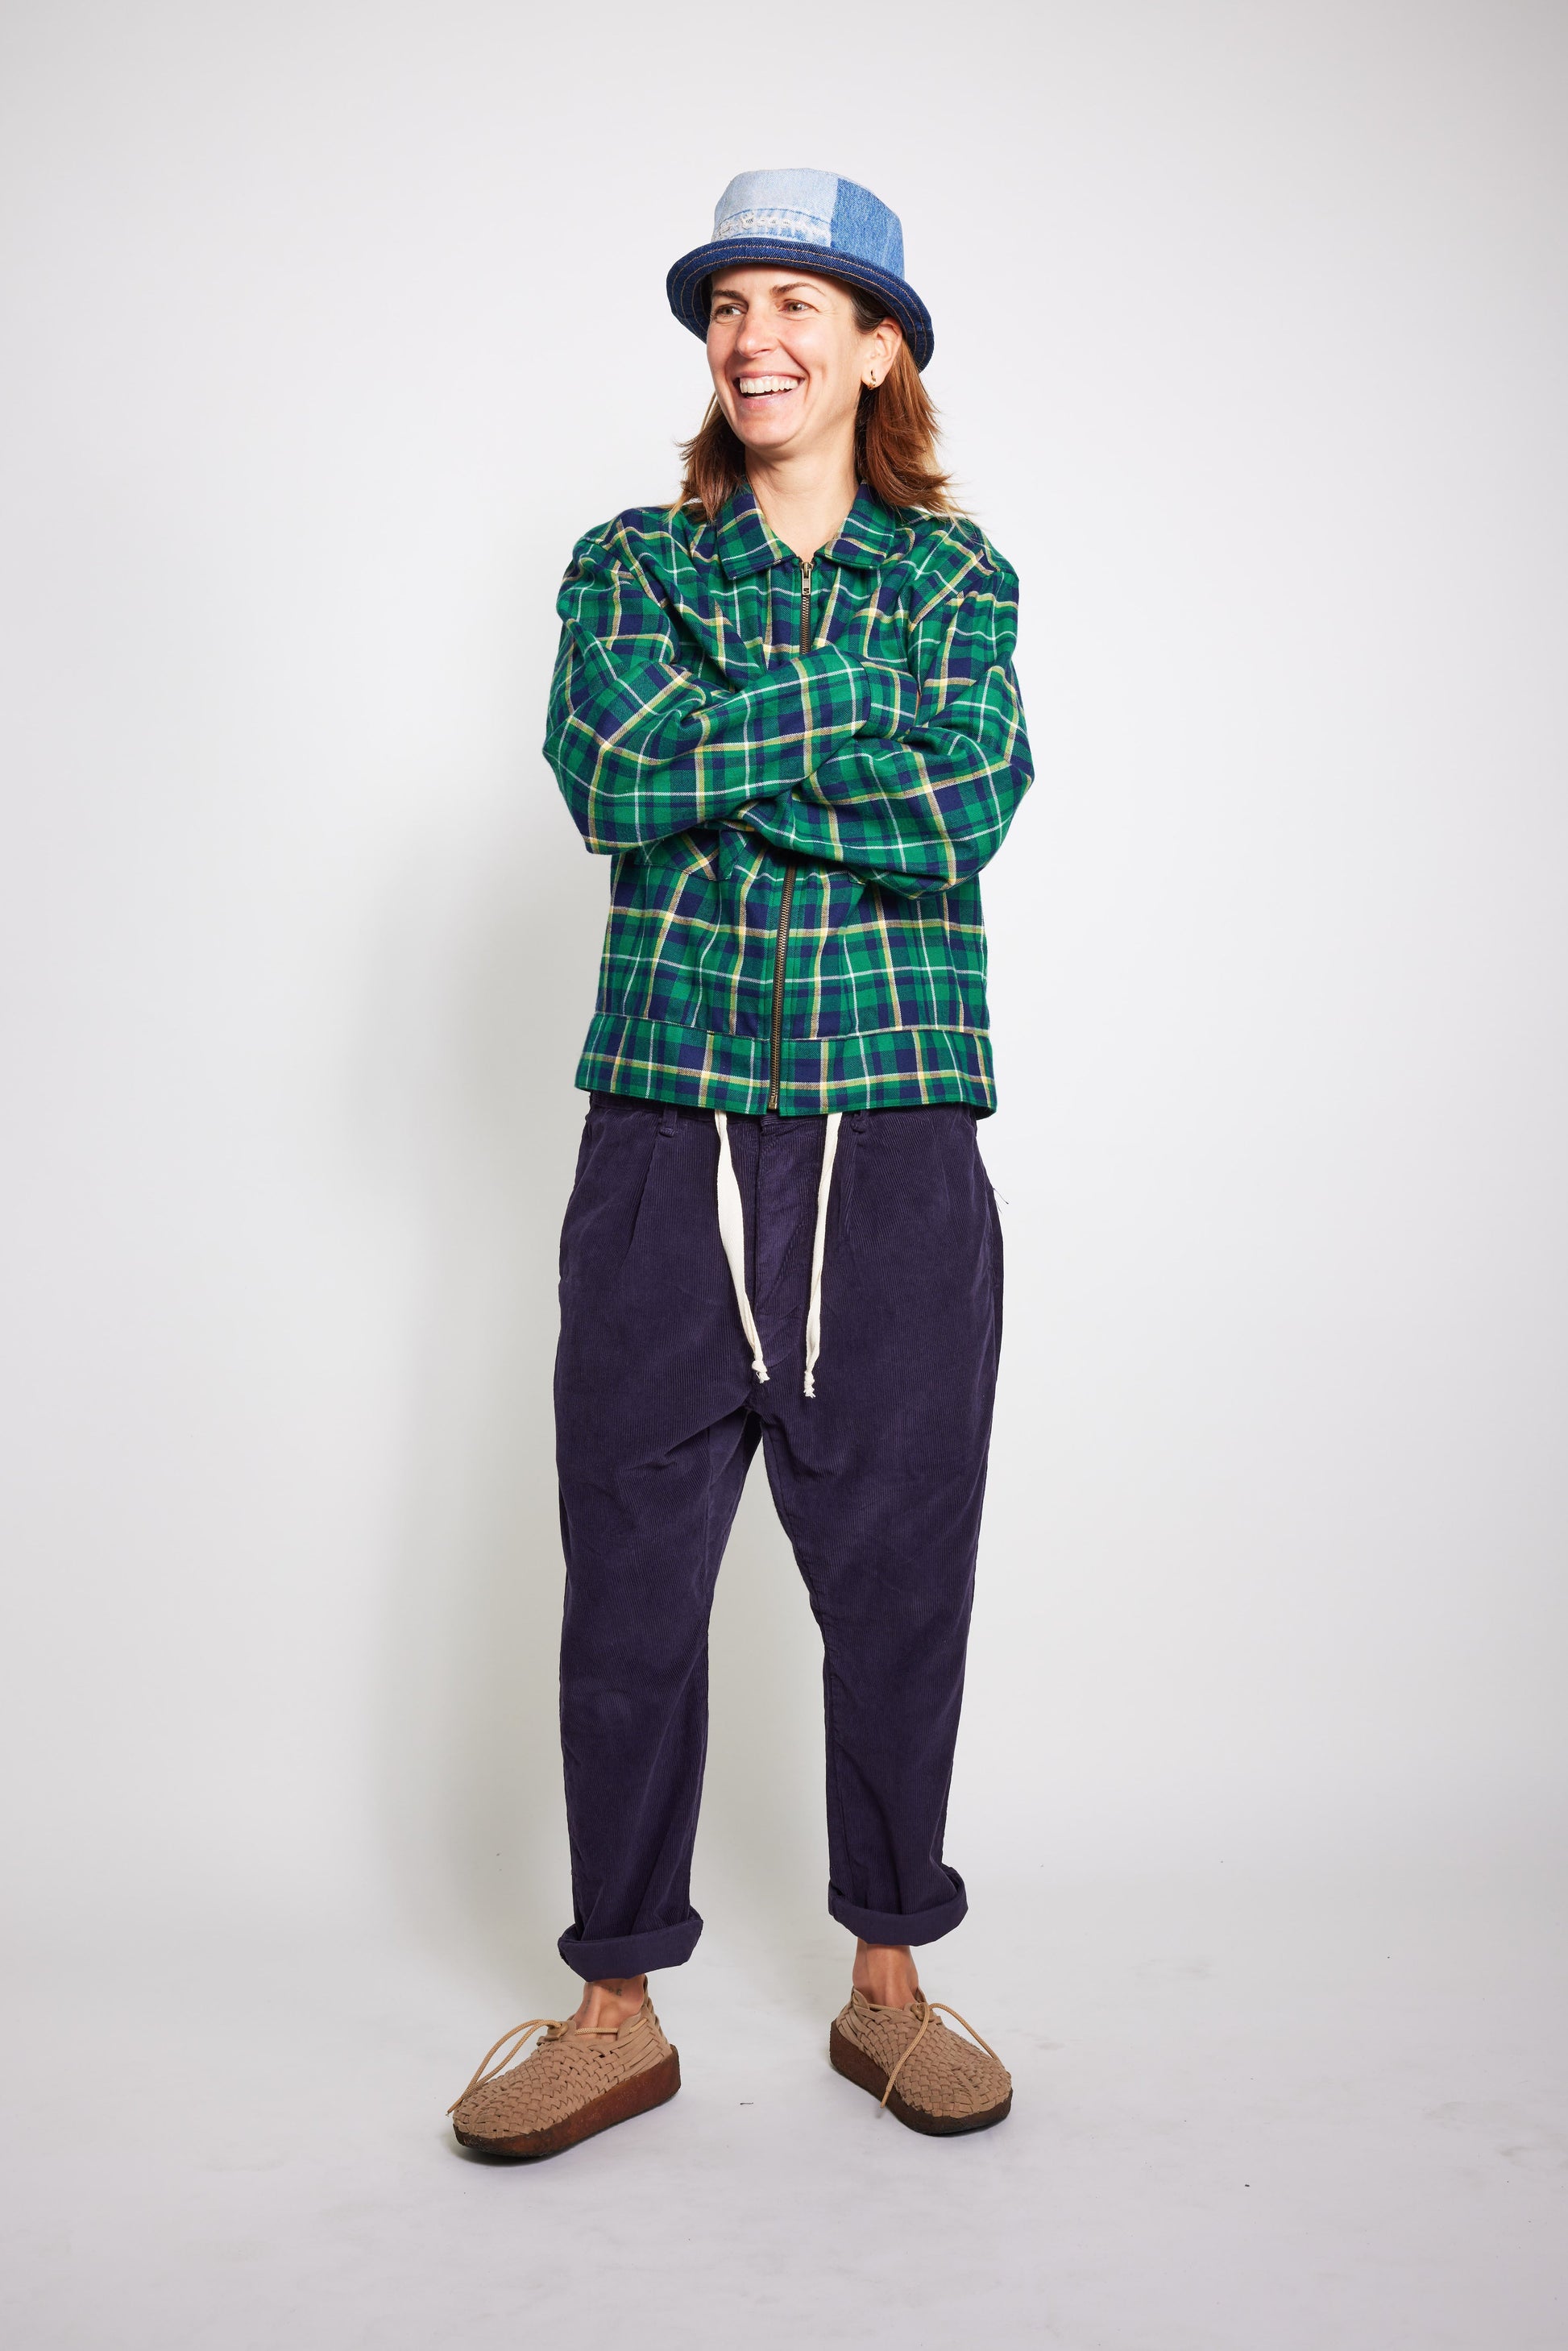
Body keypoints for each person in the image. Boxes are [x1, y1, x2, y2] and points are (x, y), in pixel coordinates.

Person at [448, 168, 1034, 2159]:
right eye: (728, 307)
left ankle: (890, 1984)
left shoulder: (956, 579)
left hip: (891, 1130)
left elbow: (962, 810)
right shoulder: (630, 563)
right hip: (663, 1123)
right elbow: (609, 776)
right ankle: (614, 2005)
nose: (752, 337)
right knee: (629, 1577)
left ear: (876, 346)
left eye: (795, 303)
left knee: (898, 1570)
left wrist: (736, 738)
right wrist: (846, 717)